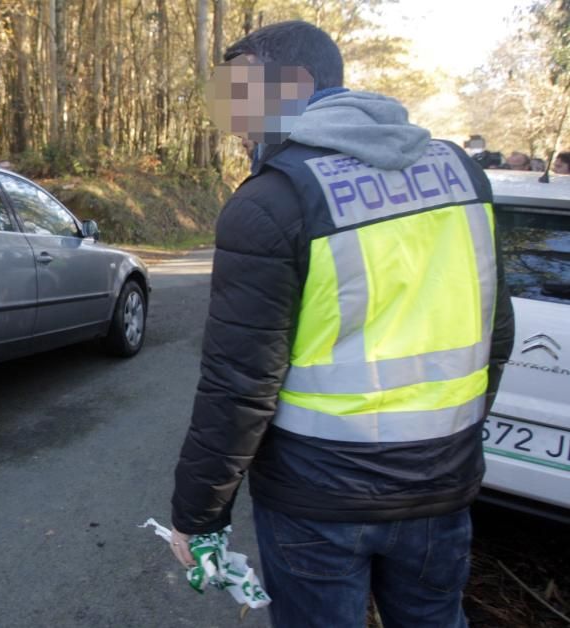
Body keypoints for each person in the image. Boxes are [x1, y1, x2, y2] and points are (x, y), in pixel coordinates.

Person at [169, 20, 515, 627]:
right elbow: (498, 333)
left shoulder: (274, 199)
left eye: (241, 94)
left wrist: (198, 515)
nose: (231, 118)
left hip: (317, 500)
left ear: (298, 84)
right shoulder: (462, 176)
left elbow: (239, 385)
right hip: (440, 484)